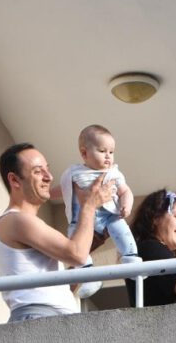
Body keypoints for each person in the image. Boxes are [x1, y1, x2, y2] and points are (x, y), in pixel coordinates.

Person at [0, 142, 114, 322]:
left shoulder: (25, 222)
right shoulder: (15, 220)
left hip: (49, 317)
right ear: (14, 180)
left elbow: (71, 260)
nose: (49, 177)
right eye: (37, 171)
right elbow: (76, 254)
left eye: (47, 169)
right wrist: (89, 206)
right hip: (38, 317)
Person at [55, 124, 141, 299]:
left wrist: (126, 205)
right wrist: (43, 195)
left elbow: (125, 191)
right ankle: (88, 275)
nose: (108, 156)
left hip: (109, 216)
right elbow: (62, 189)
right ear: (84, 153)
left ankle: (131, 258)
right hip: (81, 220)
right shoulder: (74, 173)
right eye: (102, 151)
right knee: (74, 239)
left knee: (121, 228)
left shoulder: (113, 173)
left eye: (111, 151)